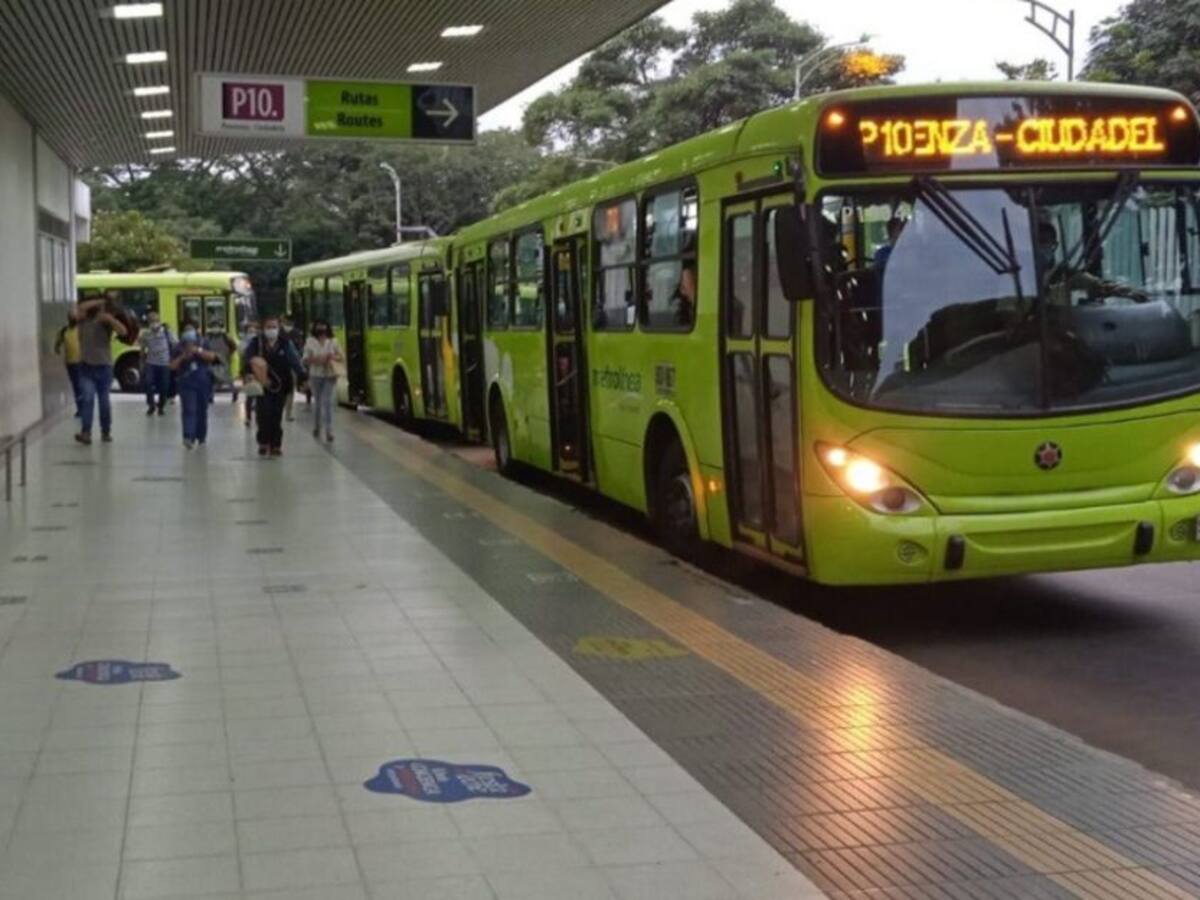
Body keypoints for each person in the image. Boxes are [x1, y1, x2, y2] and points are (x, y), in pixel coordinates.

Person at [1035, 221, 1149, 305]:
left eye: (1043, 242)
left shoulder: (1063, 273)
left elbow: (1098, 285)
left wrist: (1129, 292)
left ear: (1054, 245)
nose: (1038, 248)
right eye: (1034, 242)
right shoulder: (1019, 276)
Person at [245, 315, 305, 457]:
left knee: (276, 415)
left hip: (281, 385)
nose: (271, 330)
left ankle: (276, 444)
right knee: (263, 414)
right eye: (268, 327)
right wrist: (247, 373)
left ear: (279, 328)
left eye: (274, 327)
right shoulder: (256, 343)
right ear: (263, 329)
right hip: (262, 384)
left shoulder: (285, 344)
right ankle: (263, 442)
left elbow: (295, 361)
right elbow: (247, 360)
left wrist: (302, 375)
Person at [73, 294, 128, 445]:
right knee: (88, 399)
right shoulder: (82, 320)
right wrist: (101, 300)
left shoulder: (106, 322)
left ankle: (105, 431)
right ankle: (86, 432)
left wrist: (110, 319)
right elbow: (80, 308)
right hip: (86, 367)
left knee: (104, 401)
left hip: (104, 367)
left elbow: (123, 332)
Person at [169, 319, 217, 449]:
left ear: (196, 330)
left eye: (191, 329)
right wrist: (183, 357)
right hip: (186, 382)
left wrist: (197, 351)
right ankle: (188, 436)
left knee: (202, 410)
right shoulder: (178, 347)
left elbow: (212, 357)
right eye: (186, 330)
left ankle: (201, 437)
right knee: (189, 409)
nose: (188, 332)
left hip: (203, 381)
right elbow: (171, 366)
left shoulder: (204, 342)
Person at [302, 319, 344, 443]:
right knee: (318, 402)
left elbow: (341, 356)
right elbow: (304, 359)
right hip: (315, 375)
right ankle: (317, 426)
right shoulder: (310, 341)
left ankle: (329, 430)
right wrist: (316, 359)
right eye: (319, 326)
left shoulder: (333, 341)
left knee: (327, 401)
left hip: (330, 375)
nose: (321, 329)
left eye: (324, 326)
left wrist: (332, 357)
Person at [139, 311, 173, 416]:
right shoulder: (145, 334)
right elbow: (143, 350)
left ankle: (161, 406)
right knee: (148, 384)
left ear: (159, 321)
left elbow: (175, 344)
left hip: (164, 364)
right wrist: (141, 363)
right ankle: (151, 405)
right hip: (151, 364)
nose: (154, 323)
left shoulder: (167, 333)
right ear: (148, 322)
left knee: (164, 387)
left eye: (156, 320)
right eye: (151, 321)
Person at [53, 311, 83, 418]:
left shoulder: (81, 330)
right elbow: (57, 344)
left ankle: (83, 408)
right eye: (71, 317)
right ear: (68, 319)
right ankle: (81, 408)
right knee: (77, 386)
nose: (73, 319)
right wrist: (57, 349)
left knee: (81, 386)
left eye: (75, 317)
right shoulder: (64, 331)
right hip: (71, 364)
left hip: (82, 362)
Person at [280, 315, 304, 421]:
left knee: (290, 390)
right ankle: (281, 410)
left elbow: (300, 349)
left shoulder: (297, 333)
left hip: (292, 366)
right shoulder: (278, 332)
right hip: (278, 366)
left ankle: (288, 413)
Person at [238, 322, 259, 427]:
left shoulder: (260, 344)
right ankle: (248, 417)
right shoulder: (243, 343)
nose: (252, 334)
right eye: (250, 332)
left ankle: (259, 417)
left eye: (254, 331)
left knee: (260, 395)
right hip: (248, 371)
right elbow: (242, 355)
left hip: (259, 371)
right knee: (250, 395)